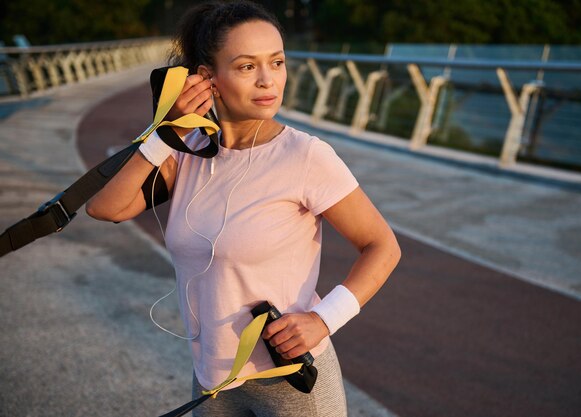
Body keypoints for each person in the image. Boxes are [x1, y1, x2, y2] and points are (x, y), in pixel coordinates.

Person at [86, 1, 401, 416]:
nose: (268, 80)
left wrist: (324, 319)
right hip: (211, 382)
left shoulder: (306, 156)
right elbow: (105, 208)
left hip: (290, 384)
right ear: (206, 79)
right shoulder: (187, 153)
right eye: (247, 67)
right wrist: (166, 133)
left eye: (277, 62)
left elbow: (382, 245)